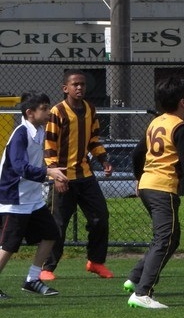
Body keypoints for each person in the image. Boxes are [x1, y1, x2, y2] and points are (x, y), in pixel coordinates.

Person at [124, 76, 184, 309]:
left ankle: (135, 278)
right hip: (162, 188)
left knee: (169, 238)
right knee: (165, 239)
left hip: (148, 186)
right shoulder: (181, 127)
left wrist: (139, 178)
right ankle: (143, 292)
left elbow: (136, 154)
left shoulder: (156, 122)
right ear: (183, 102)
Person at [42, 69, 114, 280]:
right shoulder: (57, 112)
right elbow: (49, 146)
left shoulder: (90, 109)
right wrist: (56, 175)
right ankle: (47, 267)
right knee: (58, 224)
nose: (79, 87)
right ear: (66, 88)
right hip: (63, 177)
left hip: (85, 175)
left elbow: (93, 139)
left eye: (82, 84)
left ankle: (96, 261)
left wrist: (103, 160)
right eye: (75, 84)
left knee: (100, 218)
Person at [0, 92, 68, 300]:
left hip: (32, 198)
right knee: (9, 246)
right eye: (45, 108)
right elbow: (20, 167)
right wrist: (49, 172)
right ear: (30, 113)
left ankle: (32, 280)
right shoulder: (21, 133)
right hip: (14, 199)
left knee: (51, 234)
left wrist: (51, 170)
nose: (49, 112)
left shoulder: (39, 130)